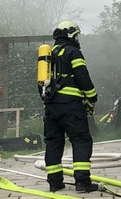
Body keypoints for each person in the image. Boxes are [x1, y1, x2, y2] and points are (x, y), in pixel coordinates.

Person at [41, 21, 99, 193]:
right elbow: (82, 76)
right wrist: (92, 96)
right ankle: (82, 182)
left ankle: (54, 182)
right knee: (81, 140)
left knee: (53, 142)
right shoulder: (73, 52)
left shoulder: (50, 53)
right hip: (71, 106)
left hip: (51, 106)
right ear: (71, 35)